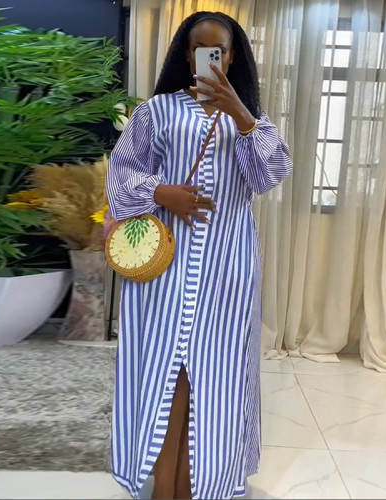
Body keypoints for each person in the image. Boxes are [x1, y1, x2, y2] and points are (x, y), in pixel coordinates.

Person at [106, 11, 292, 500]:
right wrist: (161, 192)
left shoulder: (250, 120)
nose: (209, 57)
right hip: (165, 268)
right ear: (187, 55)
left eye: (219, 50)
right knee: (165, 374)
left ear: (231, 58)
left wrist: (241, 115)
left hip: (228, 268)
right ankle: (163, 485)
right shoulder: (157, 111)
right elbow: (121, 175)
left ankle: (204, 484)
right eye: (200, 48)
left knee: (218, 375)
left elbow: (271, 175)